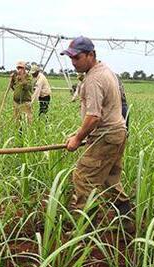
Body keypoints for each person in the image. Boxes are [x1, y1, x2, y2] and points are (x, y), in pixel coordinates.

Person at [61, 36, 133, 216]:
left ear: (91, 55)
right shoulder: (105, 70)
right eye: (71, 58)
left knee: (83, 177)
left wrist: (78, 138)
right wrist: (79, 134)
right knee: (110, 179)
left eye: (77, 58)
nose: (73, 63)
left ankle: (84, 226)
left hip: (106, 136)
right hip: (116, 134)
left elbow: (94, 117)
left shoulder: (94, 79)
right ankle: (126, 219)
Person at [10, 60, 34, 125]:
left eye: (21, 68)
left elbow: (28, 88)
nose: (19, 70)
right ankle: (18, 133)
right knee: (17, 121)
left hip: (25, 103)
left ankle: (27, 134)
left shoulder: (29, 76)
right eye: (18, 68)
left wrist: (23, 78)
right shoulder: (16, 77)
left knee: (26, 121)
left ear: (24, 69)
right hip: (16, 102)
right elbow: (13, 88)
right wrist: (12, 80)